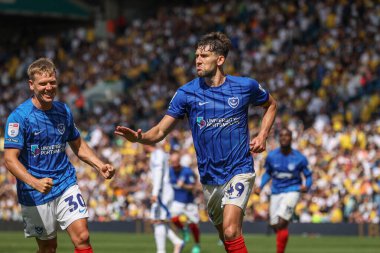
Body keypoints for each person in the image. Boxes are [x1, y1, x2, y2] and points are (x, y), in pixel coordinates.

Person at [115, 32, 277, 253]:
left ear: (220, 60)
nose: (197, 60)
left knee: (231, 231)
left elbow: (271, 105)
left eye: (204, 56)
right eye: (196, 56)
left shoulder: (244, 86)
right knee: (227, 236)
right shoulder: (186, 93)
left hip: (240, 169)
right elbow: (161, 130)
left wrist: (262, 135)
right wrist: (139, 138)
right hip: (210, 178)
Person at [3, 58, 115, 253]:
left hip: (65, 183)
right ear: (32, 85)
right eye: (43, 83)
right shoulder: (19, 117)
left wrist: (99, 164)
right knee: (48, 248)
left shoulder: (63, 110)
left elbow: (78, 144)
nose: (49, 87)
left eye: (52, 82)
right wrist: (35, 182)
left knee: (83, 236)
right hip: (35, 191)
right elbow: (10, 159)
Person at [255, 128, 313, 253]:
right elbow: (268, 173)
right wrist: (260, 186)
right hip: (276, 192)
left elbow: (308, 175)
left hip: (293, 190)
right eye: (281, 135)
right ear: (279, 138)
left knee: (282, 222)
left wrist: (306, 186)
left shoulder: (300, 158)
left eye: (287, 135)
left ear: (291, 138)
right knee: (276, 225)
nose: (284, 138)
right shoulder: (271, 156)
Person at [144, 142, 184, 253]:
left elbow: (158, 174)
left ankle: (161, 251)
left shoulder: (157, 154)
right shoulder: (160, 154)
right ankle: (177, 242)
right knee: (158, 220)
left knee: (158, 221)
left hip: (162, 193)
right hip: (164, 191)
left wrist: (155, 193)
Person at [169, 151, 201, 253]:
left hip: (189, 202)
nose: (174, 163)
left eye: (176, 161)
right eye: (172, 161)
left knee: (194, 225)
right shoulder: (169, 171)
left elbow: (192, 187)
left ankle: (197, 245)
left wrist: (183, 186)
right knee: (173, 219)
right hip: (177, 201)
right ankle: (183, 230)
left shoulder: (187, 171)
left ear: (179, 161)